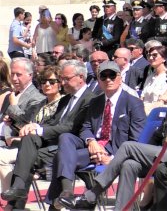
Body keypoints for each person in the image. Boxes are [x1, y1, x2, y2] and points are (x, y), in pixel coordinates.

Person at [61, 57, 167, 211]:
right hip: (163, 152)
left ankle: (92, 194)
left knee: (128, 146)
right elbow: (159, 136)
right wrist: (142, 151)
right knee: (129, 164)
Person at [47, 60, 145, 208]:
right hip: (93, 148)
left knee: (60, 157)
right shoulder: (95, 101)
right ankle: (67, 193)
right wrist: (91, 141)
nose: (108, 80)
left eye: (112, 76)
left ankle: (56, 205)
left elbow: (136, 140)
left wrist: (112, 159)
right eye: (103, 77)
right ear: (98, 80)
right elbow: (86, 127)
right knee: (65, 139)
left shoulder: (133, 103)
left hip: (115, 152)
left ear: (120, 78)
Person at [0, 60, 95, 210]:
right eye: (62, 79)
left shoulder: (90, 98)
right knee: (29, 144)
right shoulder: (67, 99)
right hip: (52, 144)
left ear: (81, 77)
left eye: (66, 79)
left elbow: (71, 127)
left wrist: (38, 129)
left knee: (26, 158)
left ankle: (15, 205)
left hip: (70, 147)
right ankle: (17, 191)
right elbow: (52, 122)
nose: (63, 83)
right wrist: (32, 127)